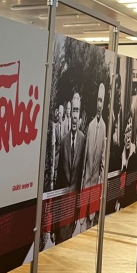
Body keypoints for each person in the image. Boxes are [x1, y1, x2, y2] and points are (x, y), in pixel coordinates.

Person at [54, 92, 86, 244]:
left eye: (77, 111)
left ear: (79, 116)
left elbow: (81, 178)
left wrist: (79, 211)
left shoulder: (83, 140)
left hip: (74, 209)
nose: (74, 115)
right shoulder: (63, 142)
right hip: (62, 209)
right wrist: (53, 223)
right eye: (73, 110)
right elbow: (58, 182)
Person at [79, 83, 106, 231]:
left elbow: (103, 157)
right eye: (98, 100)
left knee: (92, 223)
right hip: (86, 182)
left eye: (102, 101)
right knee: (82, 224)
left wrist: (101, 180)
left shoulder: (104, 127)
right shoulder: (89, 126)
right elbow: (84, 157)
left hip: (95, 183)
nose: (99, 105)